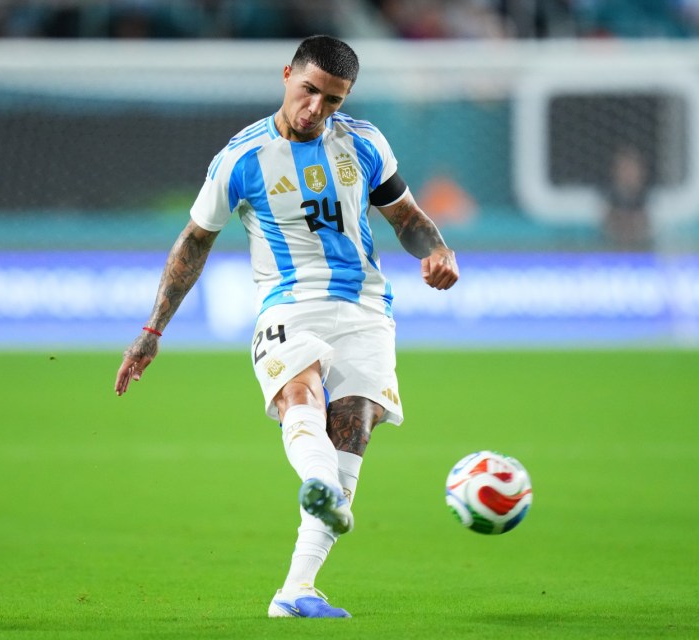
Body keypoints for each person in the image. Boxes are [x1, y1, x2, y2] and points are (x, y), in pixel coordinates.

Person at [114, 34, 459, 619]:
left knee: (355, 427)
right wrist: (154, 329)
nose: (315, 110)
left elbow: (407, 217)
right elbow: (194, 242)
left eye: (332, 100)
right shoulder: (242, 159)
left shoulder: (366, 143)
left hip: (366, 307)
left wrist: (438, 249)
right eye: (309, 92)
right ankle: (321, 483)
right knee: (299, 392)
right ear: (286, 76)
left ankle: (296, 590)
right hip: (287, 304)